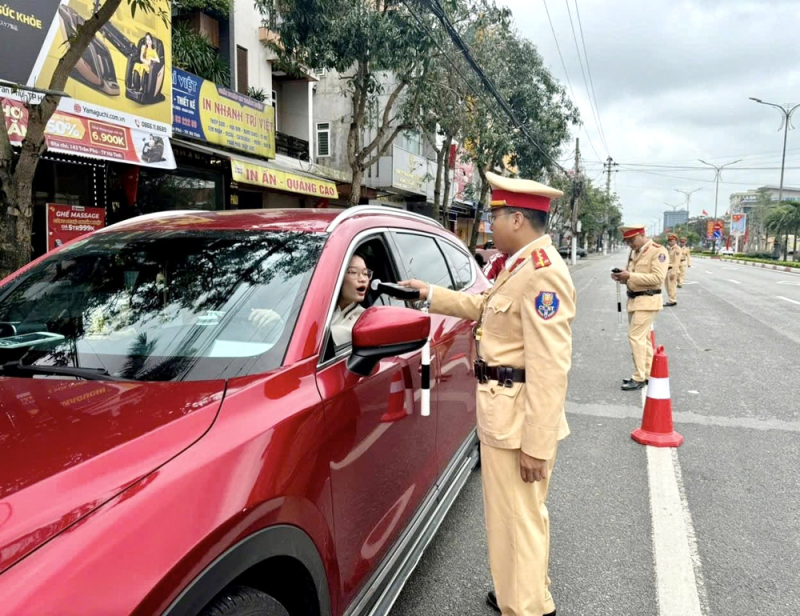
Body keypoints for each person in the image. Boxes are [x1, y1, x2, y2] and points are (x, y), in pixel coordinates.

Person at [401, 171, 575, 616]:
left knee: (514, 522)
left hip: (517, 422)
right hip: (508, 412)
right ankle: (529, 591)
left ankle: (526, 608)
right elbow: (484, 307)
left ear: (517, 219)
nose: (488, 226)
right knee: (522, 517)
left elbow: (550, 367)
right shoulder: (520, 264)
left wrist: (536, 444)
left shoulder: (542, 274)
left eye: (494, 217)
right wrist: (430, 295)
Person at [249, 253, 370, 347]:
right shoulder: (310, 306)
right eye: (354, 272)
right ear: (337, 276)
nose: (362, 279)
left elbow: (315, 342)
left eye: (366, 273)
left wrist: (279, 329)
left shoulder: (365, 318)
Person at [611, 225, 668, 391]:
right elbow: (632, 276)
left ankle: (639, 377)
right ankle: (648, 373)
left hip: (648, 300)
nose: (630, 243)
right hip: (635, 300)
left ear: (642, 235)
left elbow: (658, 278)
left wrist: (630, 276)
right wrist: (622, 277)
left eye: (632, 239)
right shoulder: (634, 252)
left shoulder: (658, 251)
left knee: (635, 337)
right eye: (627, 241)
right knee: (643, 339)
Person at [665, 233, 681, 306]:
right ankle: (671, 299)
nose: (669, 242)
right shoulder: (671, 249)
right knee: (668, 286)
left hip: (672, 270)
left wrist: (673, 272)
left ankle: (672, 300)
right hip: (668, 269)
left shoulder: (677, 249)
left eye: (671, 240)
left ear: (675, 240)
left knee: (671, 286)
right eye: (668, 240)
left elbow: (676, 262)